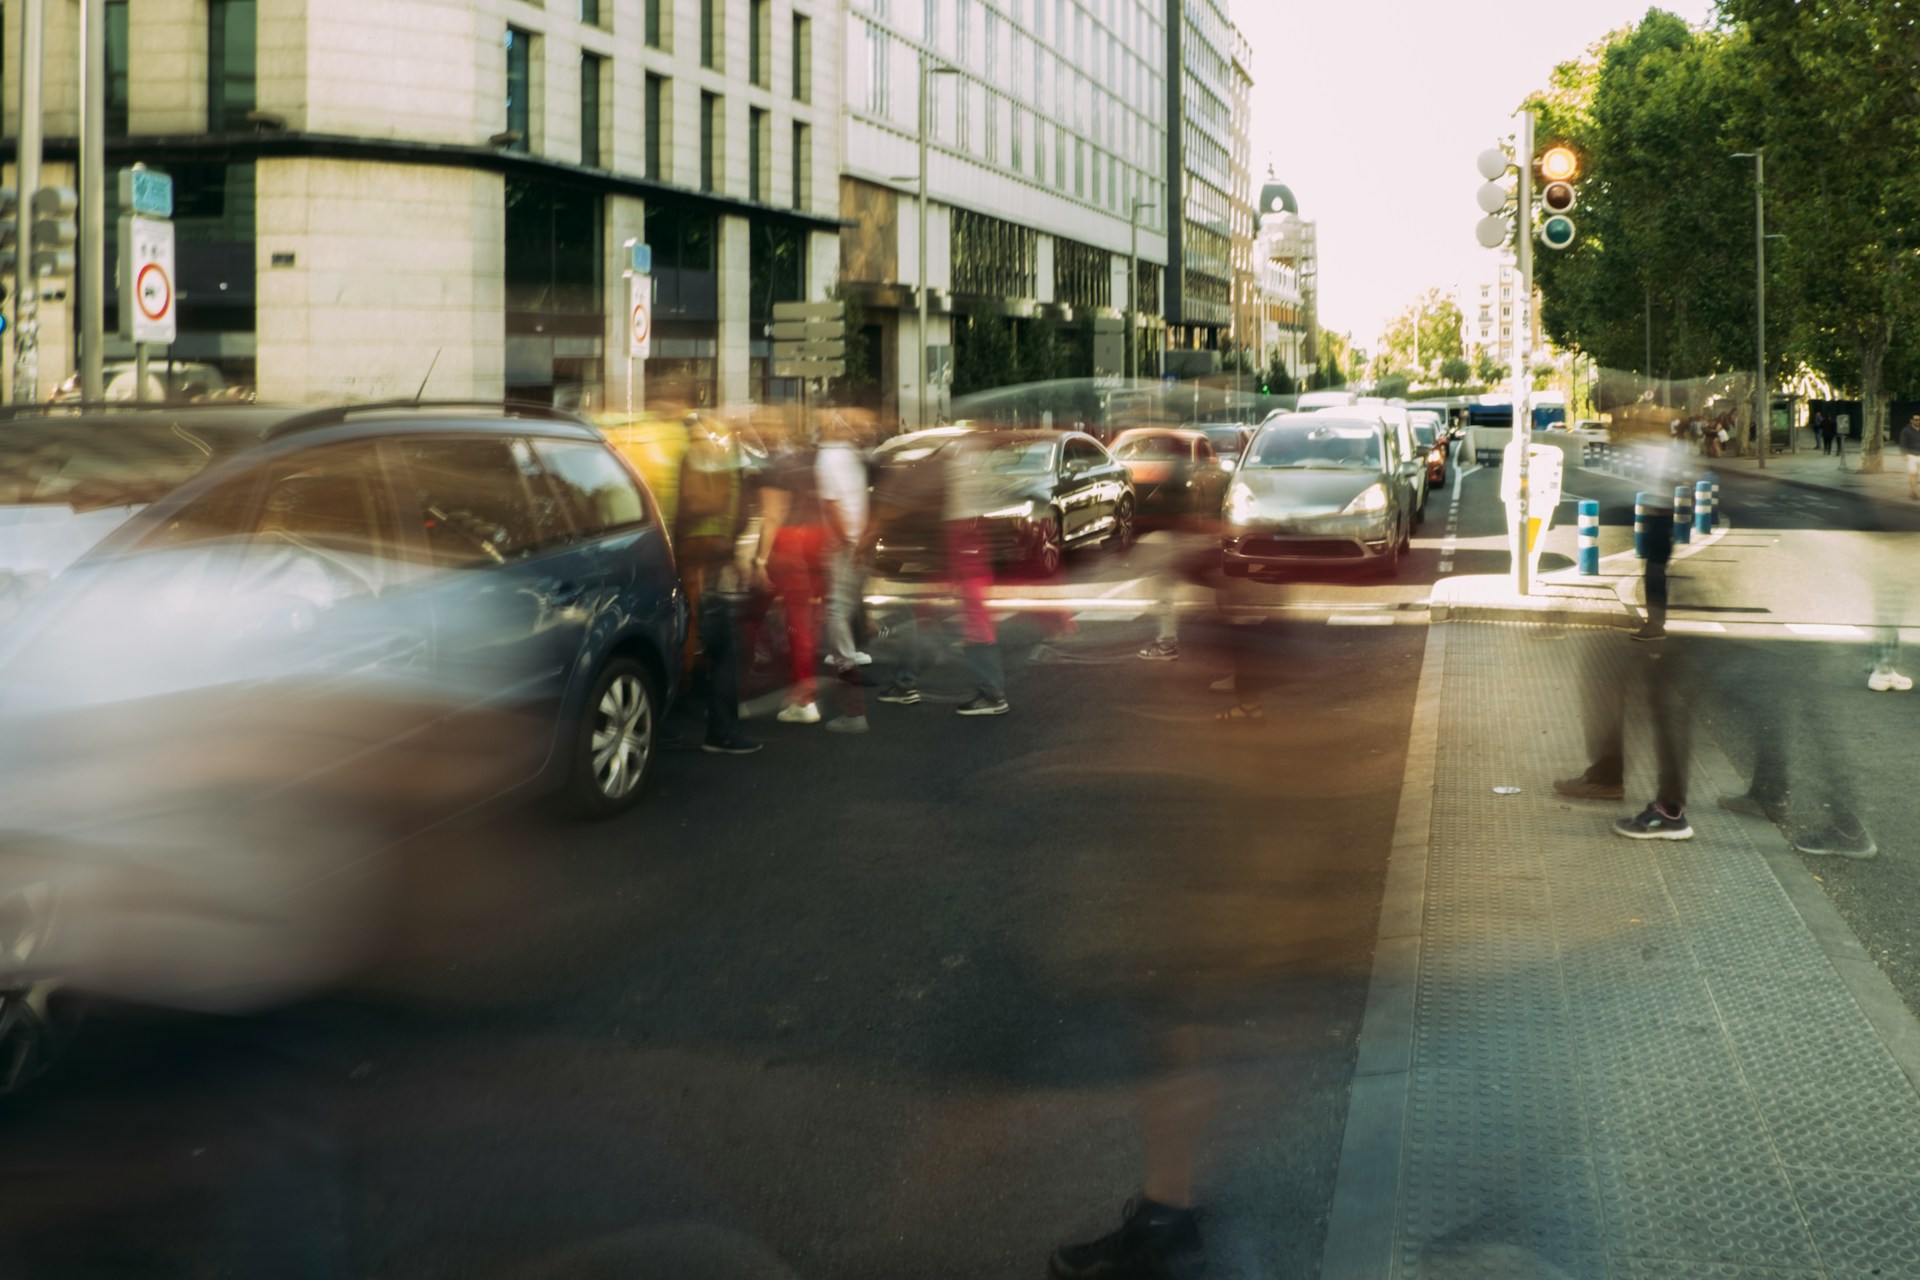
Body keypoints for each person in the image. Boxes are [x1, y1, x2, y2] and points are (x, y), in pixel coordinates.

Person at [1554, 628, 1693, 840]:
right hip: (1663, 617)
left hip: (1678, 617)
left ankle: (1670, 812)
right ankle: (1607, 773)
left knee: (1668, 700)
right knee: (1606, 667)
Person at [676, 413, 761, 754]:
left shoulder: (696, 454)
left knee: (702, 635)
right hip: (703, 554)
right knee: (717, 642)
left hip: (698, 554)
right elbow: (705, 504)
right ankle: (720, 729)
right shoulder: (707, 458)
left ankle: (693, 714)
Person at [747, 421, 829, 725]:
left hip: (784, 544)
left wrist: (759, 560)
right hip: (813, 541)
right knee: (802, 620)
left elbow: (772, 515)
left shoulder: (773, 467)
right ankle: (803, 692)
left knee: (750, 614)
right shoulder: (807, 462)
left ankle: (742, 691)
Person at [1902, 413, 1920, 501]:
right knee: (1912, 474)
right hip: (1911, 455)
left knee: (1917, 475)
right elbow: (1903, 442)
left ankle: (1913, 490)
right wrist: (1904, 454)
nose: (1918, 421)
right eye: (1916, 420)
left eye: (1919, 419)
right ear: (1911, 420)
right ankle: (1914, 492)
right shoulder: (1906, 430)